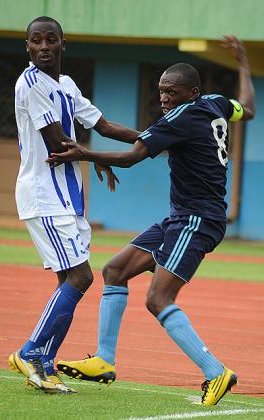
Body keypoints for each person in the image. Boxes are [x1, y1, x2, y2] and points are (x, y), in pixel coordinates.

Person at [49, 36, 255, 405]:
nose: (164, 98)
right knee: (114, 270)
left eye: (171, 92)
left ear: (190, 91)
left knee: (158, 298)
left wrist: (82, 153)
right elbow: (249, 109)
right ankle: (104, 361)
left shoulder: (180, 116)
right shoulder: (215, 104)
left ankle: (215, 372)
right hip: (181, 217)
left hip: (197, 219)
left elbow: (134, 156)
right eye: (161, 91)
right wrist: (243, 65)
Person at [9, 16, 140, 394]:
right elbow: (57, 143)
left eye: (51, 40)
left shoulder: (65, 84)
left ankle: (45, 362)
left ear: (63, 44)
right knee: (81, 277)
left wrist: (154, 138)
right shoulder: (31, 83)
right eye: (36, 41)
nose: (44, 46)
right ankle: (31, 351)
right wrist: (100, 158)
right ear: (28, 48)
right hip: (44, 194)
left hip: (67, 195)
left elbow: (101, 125)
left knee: (68, 280)